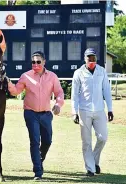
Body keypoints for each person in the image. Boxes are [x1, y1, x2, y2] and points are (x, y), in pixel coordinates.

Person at [7, 51, 64, 180]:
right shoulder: (25, 76)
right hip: (30, 113)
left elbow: (59, 92)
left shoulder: (52, 77)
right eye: (33, 62)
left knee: (47, 141)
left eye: (38, 62)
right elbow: (16, 91)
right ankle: (38, 171)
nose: (36, 64)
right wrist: (9, 83)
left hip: (46, 114)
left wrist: (58, 104)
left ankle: (39, 159)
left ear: (44, 62)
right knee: (34, 141)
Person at [71, 48, 114, 177]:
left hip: (100, 110)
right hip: (84, 110)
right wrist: (74, 112)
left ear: (96, 58)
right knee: (86, 141)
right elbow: (74, 95)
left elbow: (106, 91)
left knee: (103, 138)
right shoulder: (79, 73)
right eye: (89, 58)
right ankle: (90, 168)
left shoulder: (101, 71)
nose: (91, 60)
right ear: (85, 59)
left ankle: (94, 160)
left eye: (93, 58)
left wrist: (110, 109)